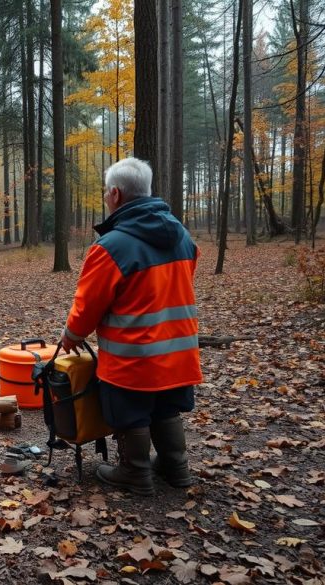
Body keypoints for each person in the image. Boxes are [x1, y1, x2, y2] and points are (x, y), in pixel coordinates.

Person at [59, 157, 202, 496]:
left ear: (116, 194)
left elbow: (88, 303)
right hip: (179, 349)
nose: (107, 199)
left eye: (107, 194)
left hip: (133, 356)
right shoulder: (181, 235)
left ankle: (135, 472)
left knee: (130, 410)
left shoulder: (112, 246)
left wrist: (71, 335)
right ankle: (176, 466)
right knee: (167, 406)